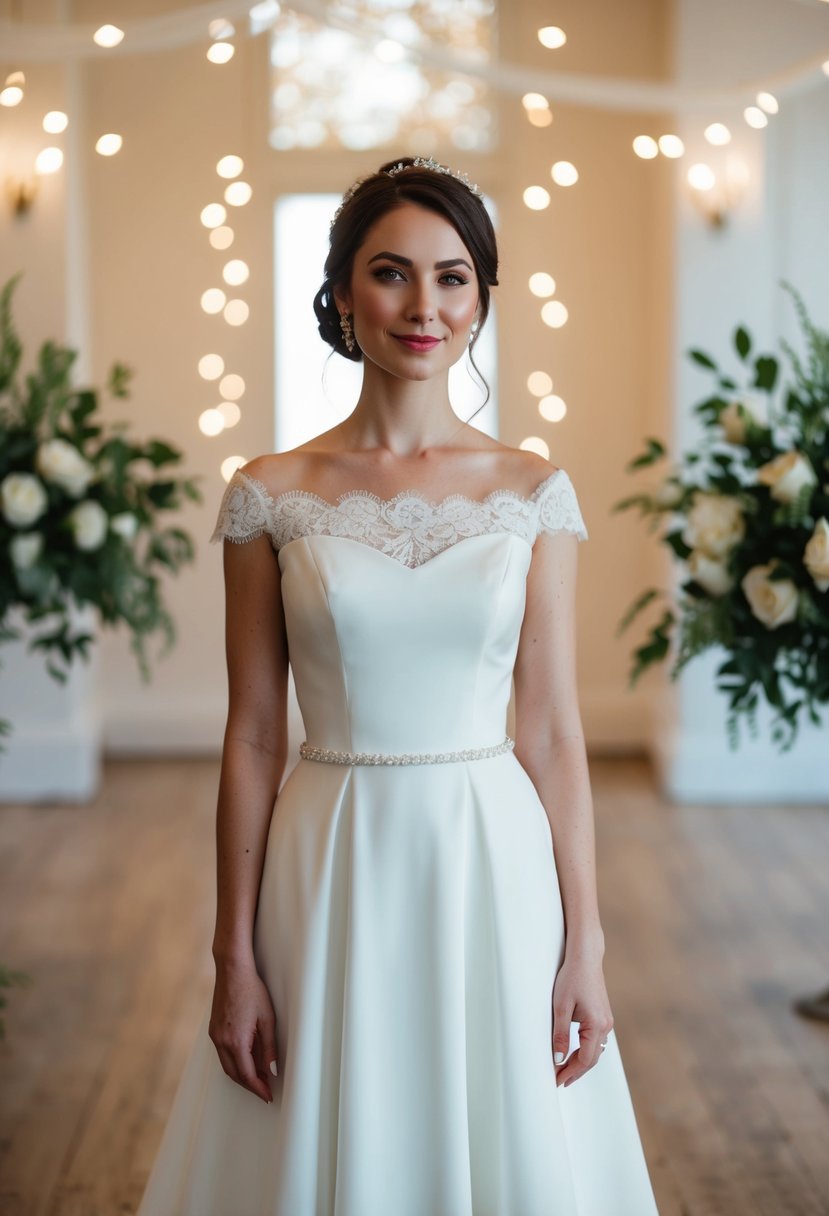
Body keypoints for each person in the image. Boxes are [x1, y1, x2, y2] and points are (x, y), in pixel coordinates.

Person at [136, 155, 659, 1215]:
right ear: (338, 293)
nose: (425, 305)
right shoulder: (266, 494)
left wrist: (586, 947)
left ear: (481, 297)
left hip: (490, 856)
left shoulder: (532, 492)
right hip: (329, 852)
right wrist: (232, 957)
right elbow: (249, 738)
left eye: (454, 276)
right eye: (391, 273)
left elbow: (554, 732)